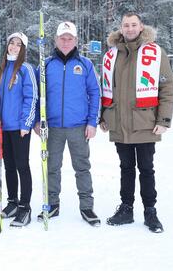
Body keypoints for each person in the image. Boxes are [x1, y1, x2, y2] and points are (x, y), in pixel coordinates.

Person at [100, 12, 173, 233]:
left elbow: (167, 88)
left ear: (141, 27)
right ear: (121, 28)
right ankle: (126, 208)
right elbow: (104, 87)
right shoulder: (111, 55)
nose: (130, 29)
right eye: (126, 25)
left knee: (146, 168)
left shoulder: (155, 52)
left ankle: (150, 211)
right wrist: (103, 116)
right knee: (125, 168)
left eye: (134, 24)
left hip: (145, 122)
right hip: (119, 121)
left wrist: (164, 120)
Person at [34, 21, 101, 226]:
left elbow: (94, 93)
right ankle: (52, 204)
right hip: (52, 127)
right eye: (62, 38)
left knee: (82, 167)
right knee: (52, 168)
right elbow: (36, 94)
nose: (65, 41)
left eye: (69, 38)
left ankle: (87, 207)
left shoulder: (85, 64)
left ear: (76, 40)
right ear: (55, 39)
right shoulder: (45, 65)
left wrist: (92, 122)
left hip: (78, 127)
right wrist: (37, 120)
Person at [0, 32, 38, 227]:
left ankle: (25, 207)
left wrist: (26, 124)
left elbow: (32, 98)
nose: (14, 47)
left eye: (18, 45)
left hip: (20, 127)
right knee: (9, 166)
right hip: (4, 127)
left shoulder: (25, 69)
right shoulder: (1, 70)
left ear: (23, 49)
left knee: (22, 165)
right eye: (11, 43)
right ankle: (12, 202)